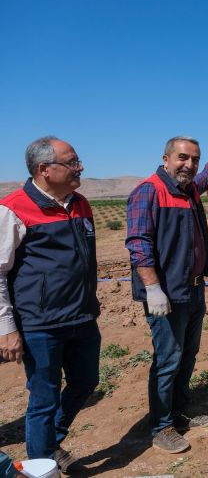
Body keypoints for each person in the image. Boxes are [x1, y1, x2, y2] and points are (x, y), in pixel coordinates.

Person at [0, 136, 100, 473]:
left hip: (83, 316)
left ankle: (50, 443)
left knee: (86, 381)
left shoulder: (82, 203)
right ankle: (41, 465)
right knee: (43, 399)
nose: (80, 167)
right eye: (72, 162)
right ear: (45, 169)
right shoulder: (13, 208)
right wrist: (6, 328)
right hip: (40, 323)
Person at [126, 133, 208, 453]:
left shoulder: (187, 190)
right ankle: (161, 426)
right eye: (183, 157)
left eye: (194, 159)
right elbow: (138, 243)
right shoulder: (149, 191)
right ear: (166, 159)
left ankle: (180, 412)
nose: (190, 164)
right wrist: (153, 288)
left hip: (193, 289)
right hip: (167, 294)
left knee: (187, 355)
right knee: (168, 359)